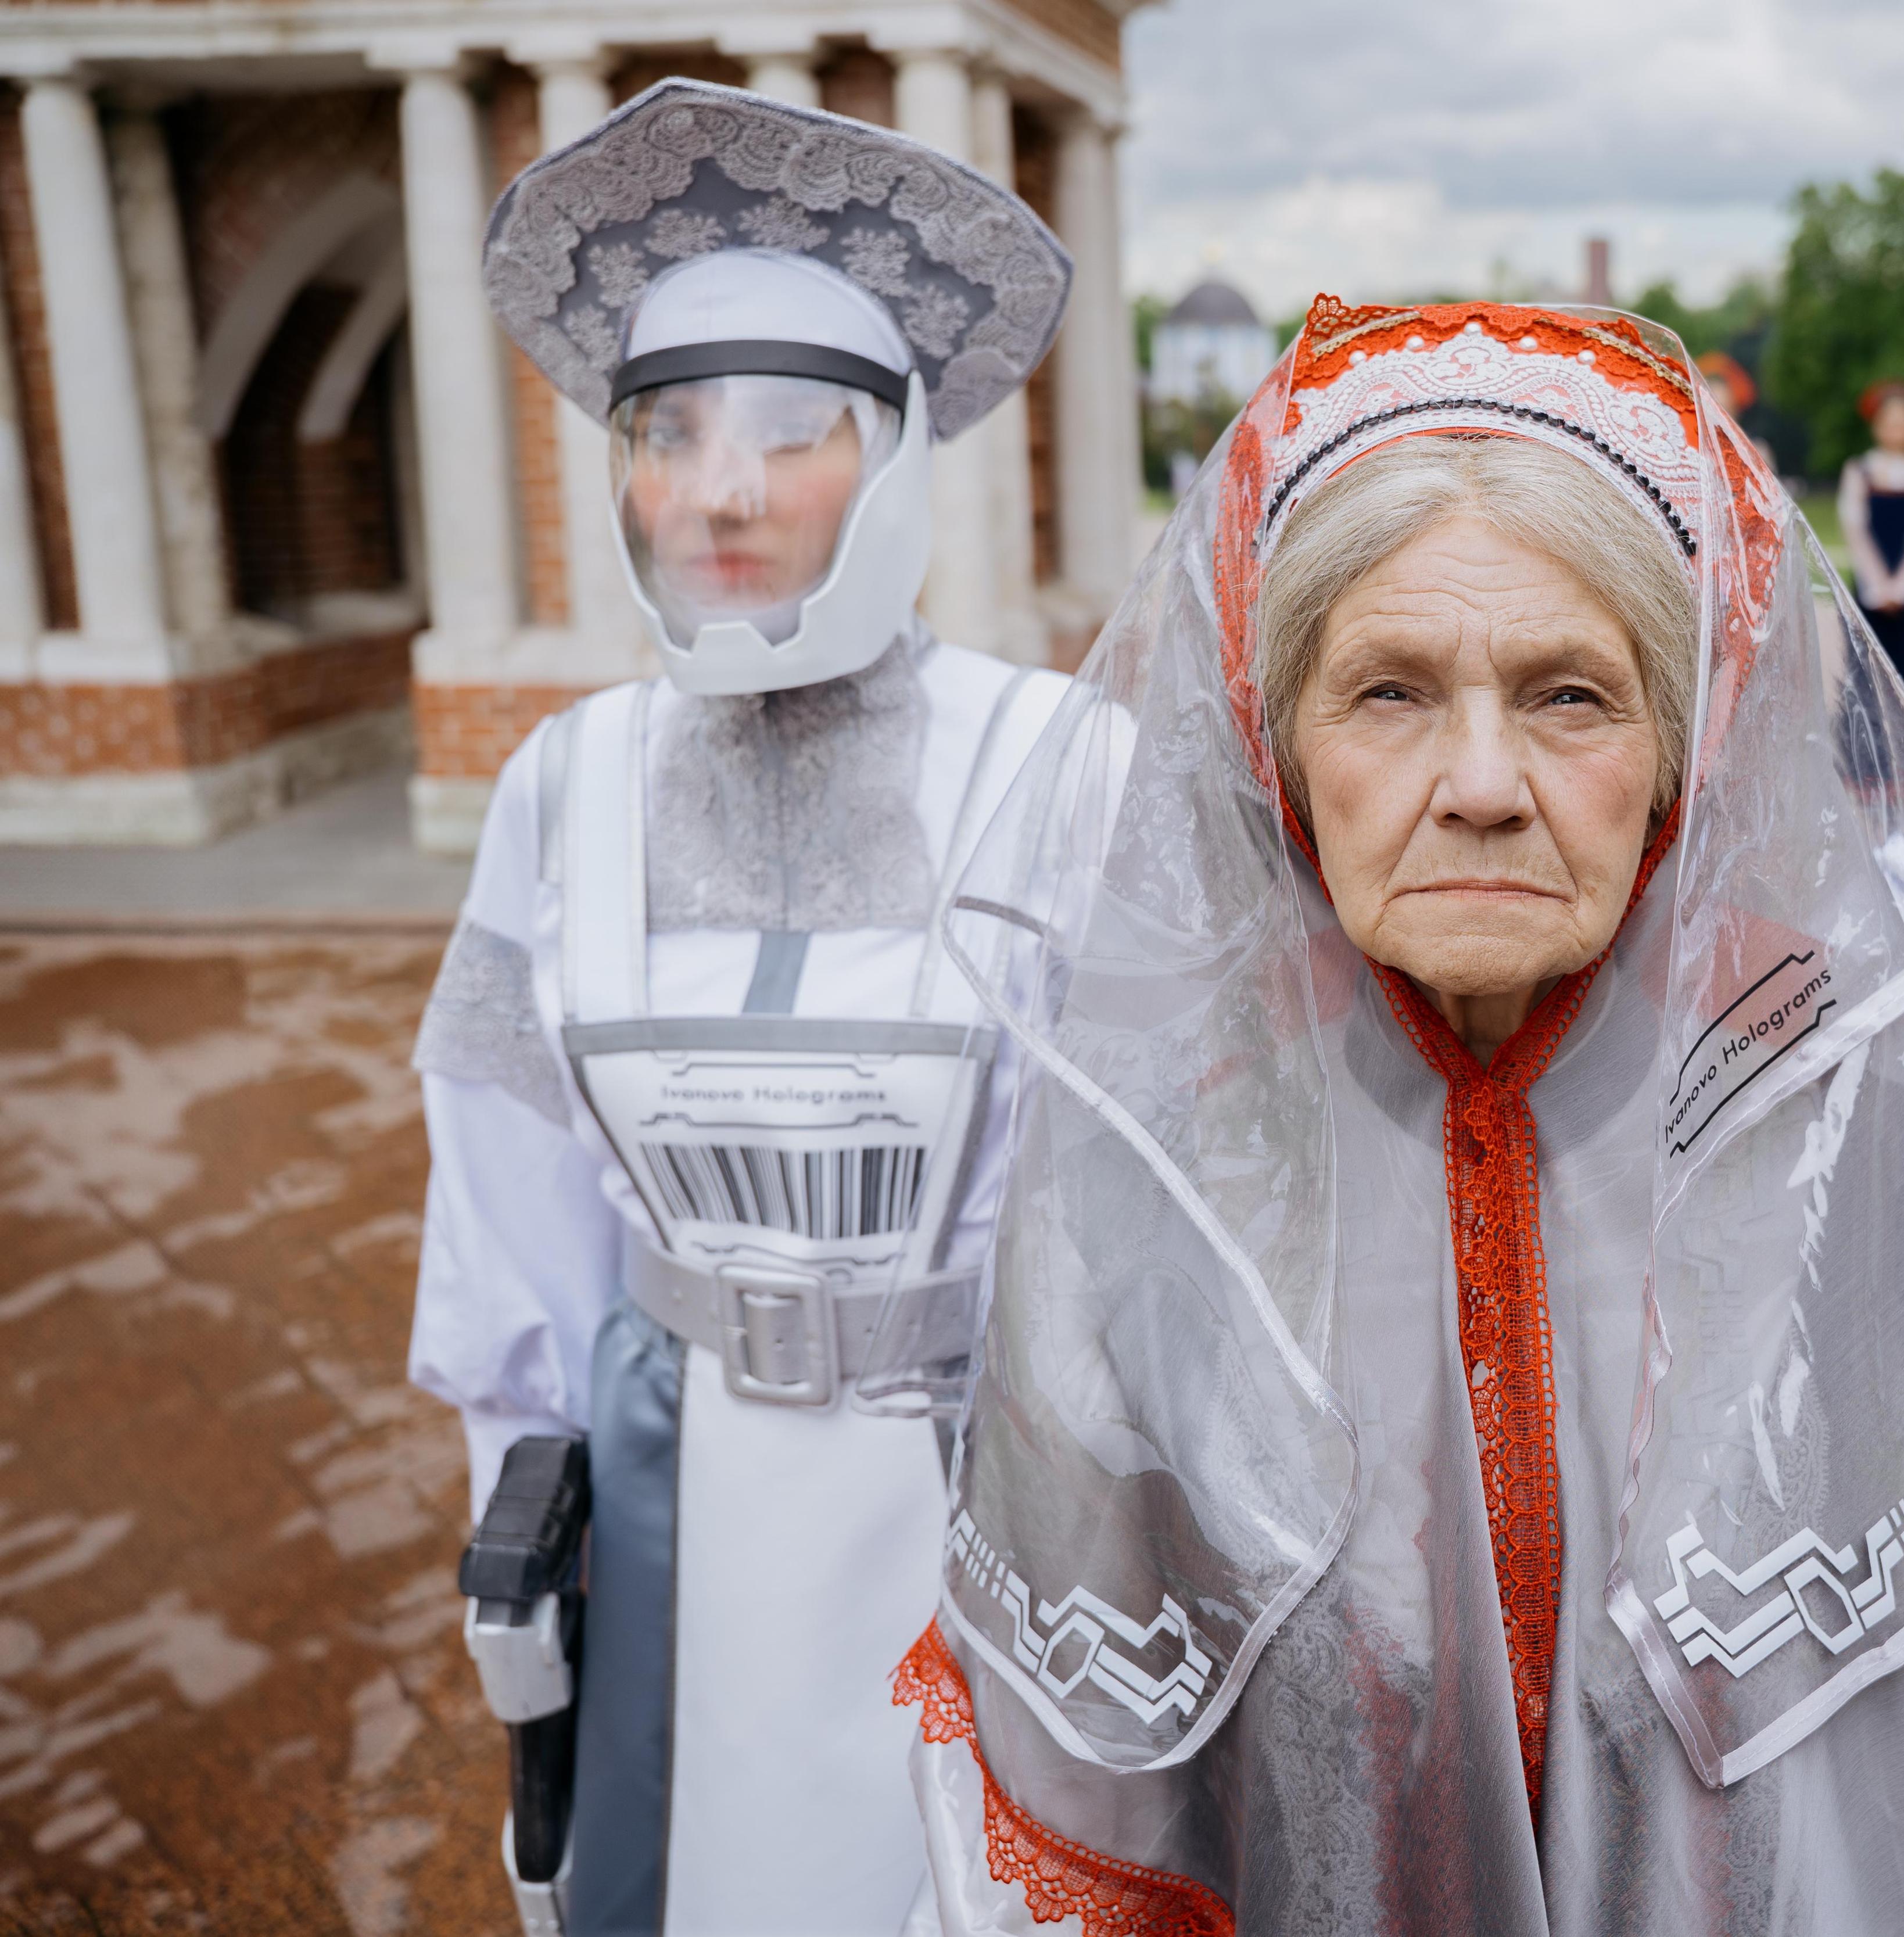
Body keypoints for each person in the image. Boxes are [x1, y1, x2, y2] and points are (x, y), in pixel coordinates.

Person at [883, 295, 1904, 1934]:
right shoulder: (1170, 1151)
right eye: (1388, 692)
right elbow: (1084, 1783)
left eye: (1571, 696)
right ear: (1274, 741)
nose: (1479, 784)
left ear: (1685, 750)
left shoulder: (1833, 1131)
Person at [408, 79, 1073, 1936]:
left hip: (990, 1515)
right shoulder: (562, 787)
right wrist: (528, 1533)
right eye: (666, 429)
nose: (717, 492)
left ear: (899, 457)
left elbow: (1163, 1242)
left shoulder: (1057, 763)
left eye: (793, 432)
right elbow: (511, 1216)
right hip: (671, 1508)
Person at [1838, 378, 1904, 724]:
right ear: (1877, 426)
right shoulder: (1860, 470)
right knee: (1866, 670)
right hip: (1871, 587)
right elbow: (1856, 529)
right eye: (1890, 422)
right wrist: (1879, 585)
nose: (1897, 429)